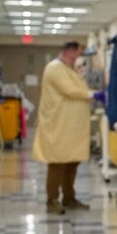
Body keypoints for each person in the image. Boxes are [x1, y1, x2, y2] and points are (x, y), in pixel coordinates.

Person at [32, 41, 106, 214]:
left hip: (71, 127)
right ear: (69, 51)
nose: (79, 58)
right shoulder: (55, 68)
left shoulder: (69, 69)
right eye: (78, 54)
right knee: (57, 162)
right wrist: (94, 94)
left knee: (72, 161)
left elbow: (79, 87)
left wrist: (93, 92)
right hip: (58, 125)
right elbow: (70, 90)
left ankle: (69, 197)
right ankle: (52, 201)